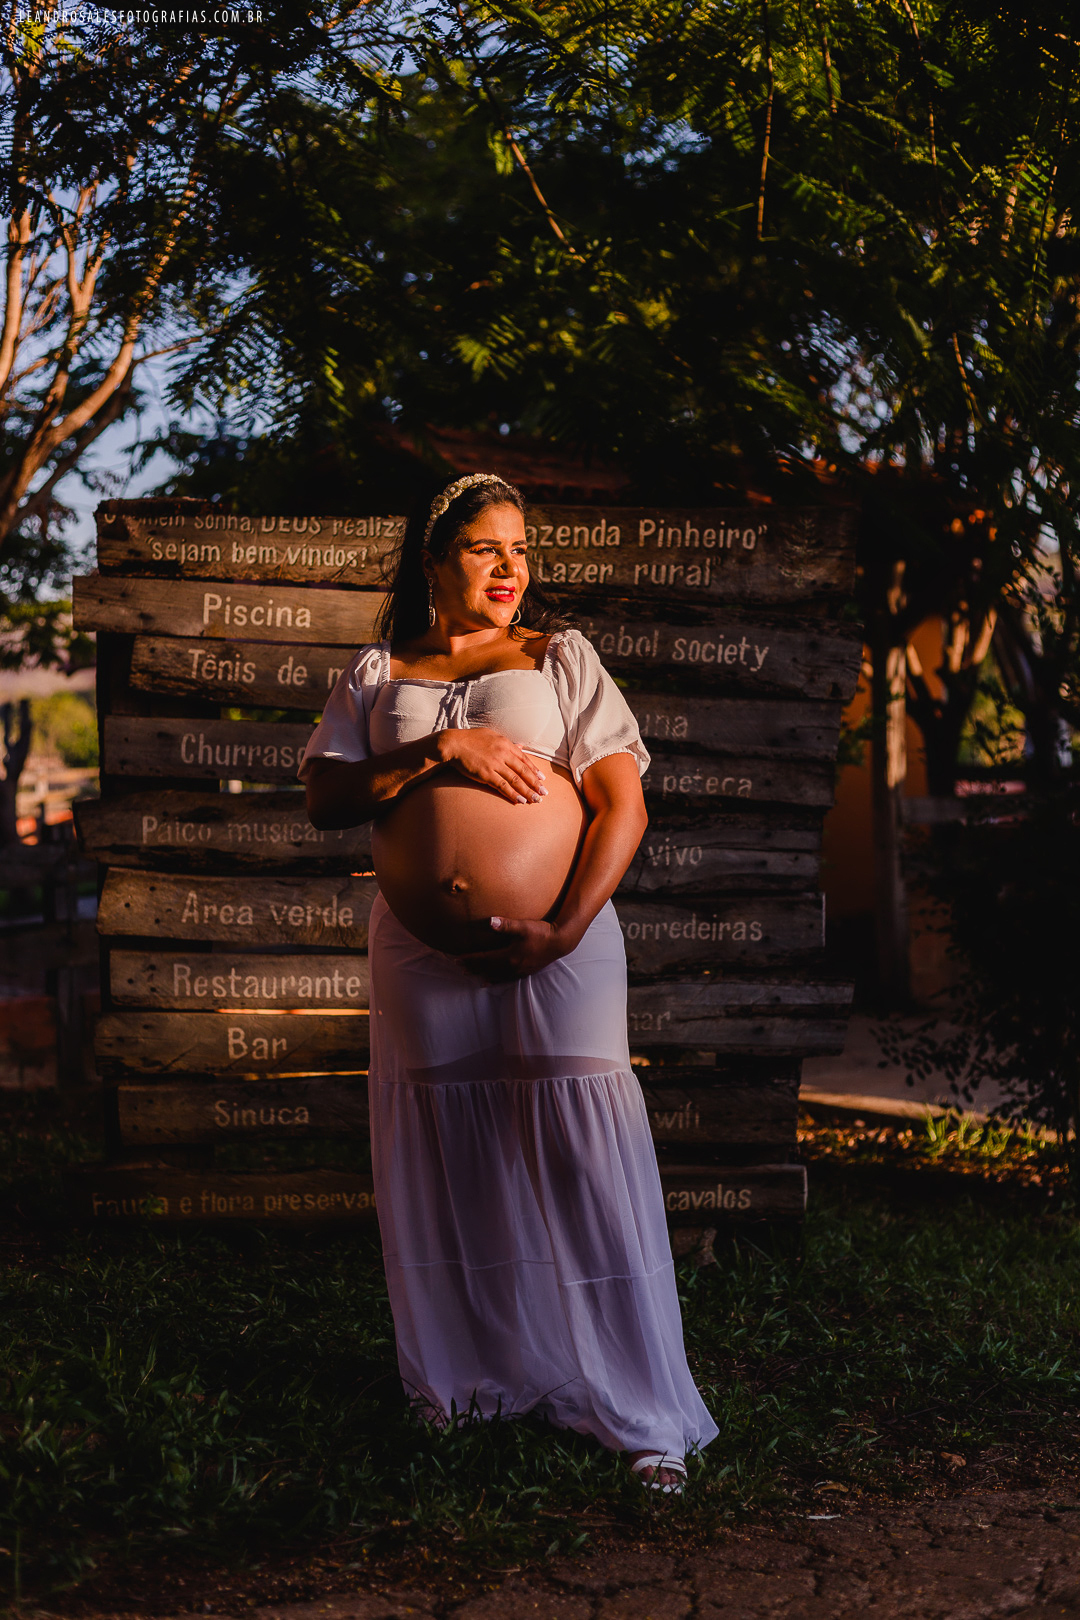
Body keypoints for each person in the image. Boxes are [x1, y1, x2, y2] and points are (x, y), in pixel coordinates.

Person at [301, 472, 717, 1492]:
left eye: (522, 550)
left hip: (559, 944)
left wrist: (563, 929)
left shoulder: (559, 659)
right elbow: (326, 796)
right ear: (435, 559)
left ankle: (645, 1416)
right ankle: (476, 1382)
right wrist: (444, 748)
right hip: (415, 951)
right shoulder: (378, 668)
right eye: (486, 548)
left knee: (584, 1155)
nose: (510, 569)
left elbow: (623, 809)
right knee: (453, 1164)